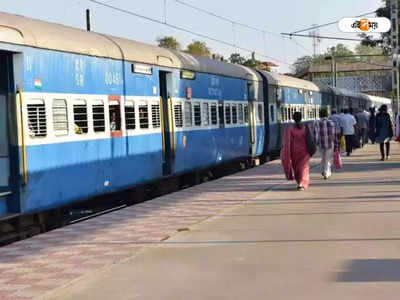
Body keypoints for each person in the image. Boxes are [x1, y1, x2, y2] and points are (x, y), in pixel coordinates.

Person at [281, 112, 310, 191]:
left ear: (293, 119)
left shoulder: (290, 129)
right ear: (301, 118)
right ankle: (302, 183)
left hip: (294, 152)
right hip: (305, 152)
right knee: (304, 168)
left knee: (297, 168)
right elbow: (309, 139)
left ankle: (299, 182)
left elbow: (287, 142)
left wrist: (286, 154)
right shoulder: (305, 128)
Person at [313, 109, 338, 180]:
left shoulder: (316, 123)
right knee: (328, 158)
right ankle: (326, 173)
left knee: (323, 158)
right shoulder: (331, 123)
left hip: (321, 144)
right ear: (327, 115)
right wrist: (336, 144)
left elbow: (315, 135)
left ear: (320, 115)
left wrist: (315, 143)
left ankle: (325, 171)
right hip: (330, 143)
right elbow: (334, 134)